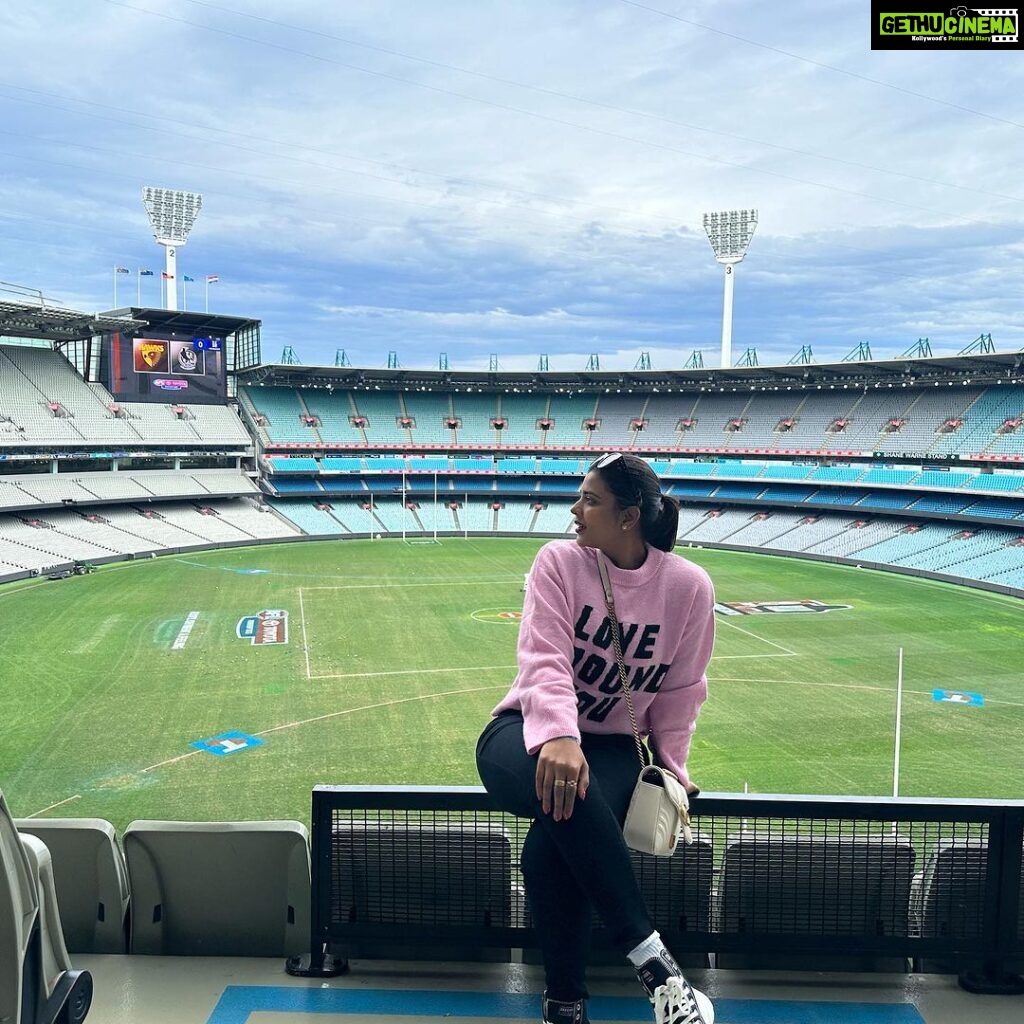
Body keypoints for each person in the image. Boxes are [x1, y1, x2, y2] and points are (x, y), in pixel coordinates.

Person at [476, 451, 716, 1024]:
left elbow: (683, 690)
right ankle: (655, 966)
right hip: (523, 731)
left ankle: (565, 1005)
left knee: (555, 838)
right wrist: (558, 735)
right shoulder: (558, 561)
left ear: (628, 517)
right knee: (569, 794)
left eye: (590, 499)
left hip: (610, 746)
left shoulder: (689, 588)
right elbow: (543, 659)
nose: (575, 509)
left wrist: (672, 769)